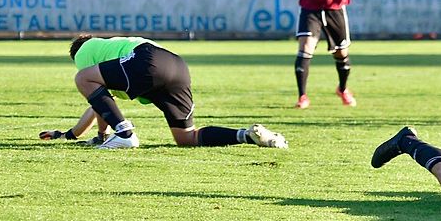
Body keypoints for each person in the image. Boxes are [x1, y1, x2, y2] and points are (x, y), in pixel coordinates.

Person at [67, 34, 288, 150]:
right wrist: (79, 134)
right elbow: (102, 103)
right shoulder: (112, 46)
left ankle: (125, 135)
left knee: (82, 78)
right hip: (176, 66)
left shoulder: (84, 51)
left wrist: (98, 135)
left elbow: (99, 96)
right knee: (187, 138)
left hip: (148, 61)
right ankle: (247, 136)